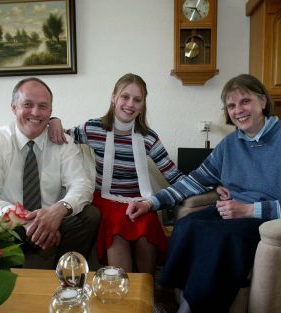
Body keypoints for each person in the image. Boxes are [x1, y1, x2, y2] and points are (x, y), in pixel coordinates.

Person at [126, 74, 281, 313]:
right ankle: (180, 301)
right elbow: (194, 181)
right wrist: (151, 203)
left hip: (272, 221)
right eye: (231, 105)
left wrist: (249, 210)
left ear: (263, 102)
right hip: (233, 211)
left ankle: (194, 307)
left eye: (245, 101)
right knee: (187, 225)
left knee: (220, 238)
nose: (238, 110)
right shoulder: (230, 144)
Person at [48, 73, 184, 276]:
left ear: (143, 104)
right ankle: (122, 294)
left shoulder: (148, 137)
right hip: (105, 199)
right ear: (114, 97)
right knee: (117, 226)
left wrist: (206, 186)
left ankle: (147, 295)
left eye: (137, 99)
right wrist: (53, 120)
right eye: (125, 97)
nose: (130, 104)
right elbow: (61, 135)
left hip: (138, 200)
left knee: (146, 224)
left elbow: (173, 175)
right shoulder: (93, 128)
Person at [0, 77, 100, 269]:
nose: (35, 112)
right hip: (12, 226)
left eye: (43, 106)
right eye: (28, 104)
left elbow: (81, 184)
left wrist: (57, 211)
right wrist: (25, 220)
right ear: (14, 108)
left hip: (54, 222)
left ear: (50, 112)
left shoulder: (62, 142)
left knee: (90, 215)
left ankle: (64, 278)